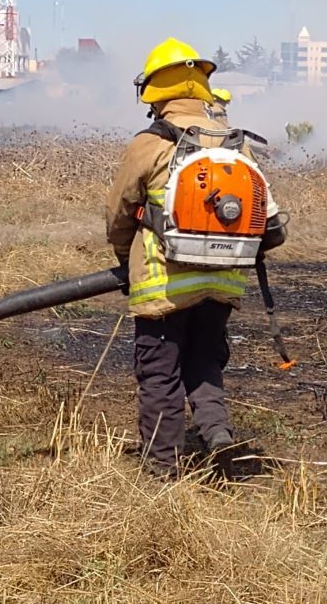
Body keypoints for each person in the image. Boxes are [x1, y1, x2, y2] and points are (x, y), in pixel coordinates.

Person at [105, 38, 286, 477]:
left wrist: (125, 258)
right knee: (204, 361)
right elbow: (270, 223)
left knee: (160, 374)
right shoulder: (235, 145)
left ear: (154, 91)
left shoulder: (150, 144)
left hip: (163, 283)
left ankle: (162, 470)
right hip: (222, 282)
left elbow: (119, 214)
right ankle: (216, 430)